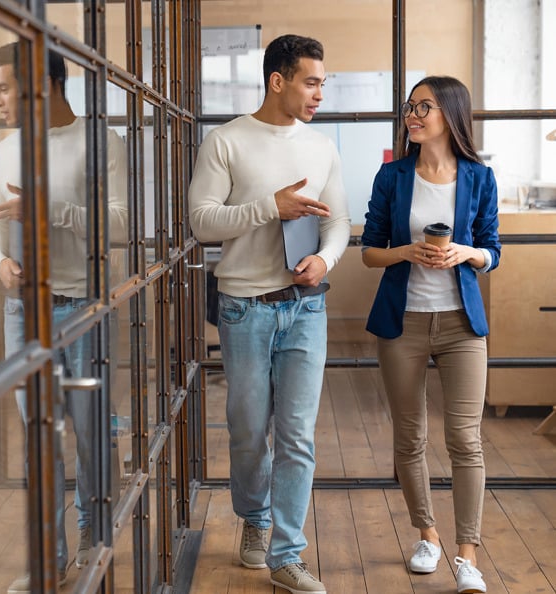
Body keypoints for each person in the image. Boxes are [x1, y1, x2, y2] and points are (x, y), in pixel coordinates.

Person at [189, 34, 350, 594]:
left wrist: (323, 258)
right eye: (311, 81)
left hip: (307, 307)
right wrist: (268, 207)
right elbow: (202, 222)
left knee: (298, 435)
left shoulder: (323, 147)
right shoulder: (226, 141)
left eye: (323, 83)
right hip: (244, 311)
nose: (319, 93)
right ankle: (254, 521)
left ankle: (286, 553)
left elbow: (339, 223)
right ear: (277, 80)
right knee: (249, 432)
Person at [0, 43, 127, 592]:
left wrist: (51, 210)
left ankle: (95, 540)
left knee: (91, 436)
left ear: (41, 86)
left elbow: (119, 225)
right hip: (25, 312)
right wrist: (0, 258)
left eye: (4, 88)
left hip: (83, 309)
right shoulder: (6, 149)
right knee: (38, 439)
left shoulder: (100, 142)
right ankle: (50, 554)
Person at [361, 75, 500, 594]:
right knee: (410, 436)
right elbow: (369, 249)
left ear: (450, 114)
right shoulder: (392, 176)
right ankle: (427, 535)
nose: (412, 115)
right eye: (409, 106)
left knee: (465, 439)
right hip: (404, 323)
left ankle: (467, 556)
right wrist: (406, 251)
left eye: (424, 106)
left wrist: (467, 253)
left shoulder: (479, 178)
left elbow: (492, 249)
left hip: (463, 325)